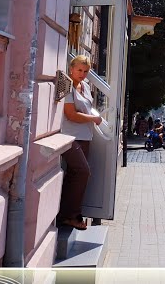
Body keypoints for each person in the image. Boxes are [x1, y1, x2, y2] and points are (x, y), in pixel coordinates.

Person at [57, 55, 102, 231]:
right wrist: (94, 119)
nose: (82, 74)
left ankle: (64, 215)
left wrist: (95, 119)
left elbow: (87, 108)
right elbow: (71, 114)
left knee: (74, 175)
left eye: (85, 71)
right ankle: (72, 215)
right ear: (71, 69)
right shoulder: (68, 86)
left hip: (85, 136)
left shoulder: (86, 86)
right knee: (83, 172)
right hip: (69, 136)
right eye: (79, 70)